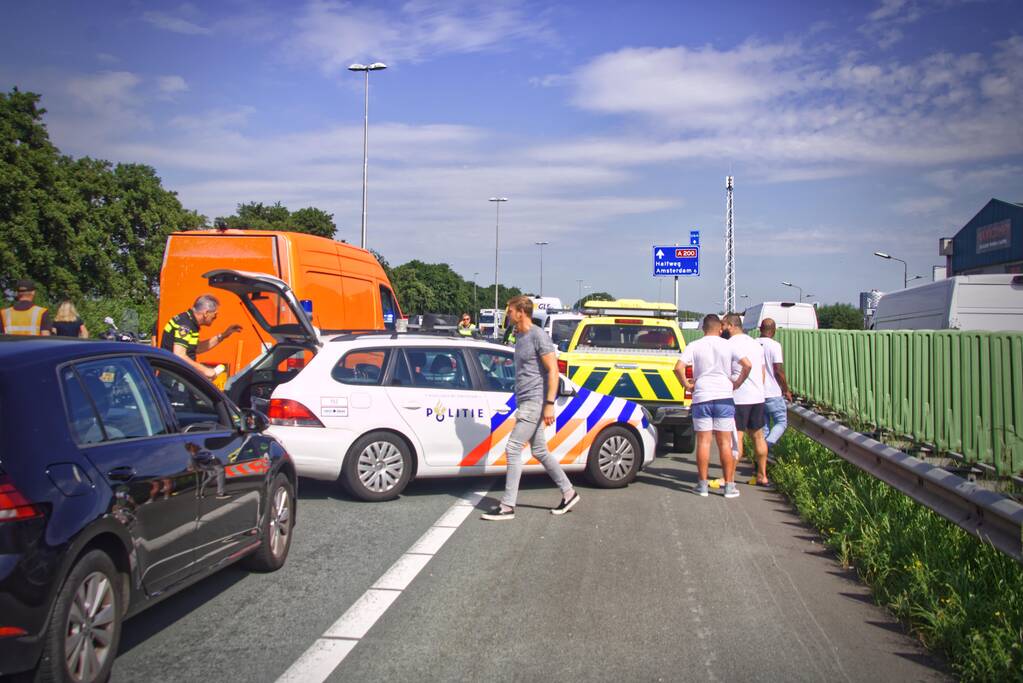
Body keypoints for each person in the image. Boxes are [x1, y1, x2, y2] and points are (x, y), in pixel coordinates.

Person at [482, 295, 579, 521]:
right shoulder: (520, 335)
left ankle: (507, 506)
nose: (508, 314)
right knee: (540, 451)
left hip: (535, 401)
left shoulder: (538, 336)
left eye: (510, 310)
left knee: (513, 447)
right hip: (524, 399)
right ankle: (569, 492)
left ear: (521, 312)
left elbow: (552, 371)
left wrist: (549, 405)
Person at [675, 314, 750, 498]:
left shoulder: (695, 345)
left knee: (704, 442)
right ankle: (730, 486)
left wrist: (687, 385)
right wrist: (737, 382)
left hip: (702, 396)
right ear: (720, 328)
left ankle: (702, 486)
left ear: (703, 329)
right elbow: (747, 365)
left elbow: (678, 367)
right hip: (724, 396)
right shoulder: (728, 345)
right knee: (725, 442)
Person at [722, 313, 772, 488]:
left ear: (730, 325)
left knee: (737, 438)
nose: (722, 329)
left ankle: (730, 478)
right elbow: (763, 372)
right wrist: (759, 391)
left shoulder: (729, 345)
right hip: (758, 396)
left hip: (739, 397)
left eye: (724, 325)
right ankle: (762, 475)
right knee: (759, 436)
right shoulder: (756, 344)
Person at [161, 295, 242, 380]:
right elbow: (179, 355)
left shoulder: (189, 321)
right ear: (206, 313)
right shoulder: (185, 325)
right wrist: (206, 370)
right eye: (214, 315)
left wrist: (223, 335)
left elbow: (197, 348)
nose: (215, 318)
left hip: (177, 376)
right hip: (174, 378)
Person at [758, 318, 792, 453]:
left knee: (764, 428)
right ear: (774, 330)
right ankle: (766, 447)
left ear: (760, 329)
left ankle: (762, 462)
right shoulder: (775, 346)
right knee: (781, 423)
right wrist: (786, 390)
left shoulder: (753, 344)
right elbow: (778, 370)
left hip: (758, 394)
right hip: (773, 393)